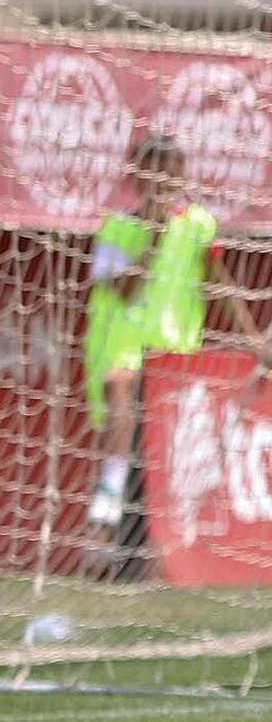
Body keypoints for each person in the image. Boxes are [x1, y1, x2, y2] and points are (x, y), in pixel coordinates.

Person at [84, 132, 271, 579]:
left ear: (183, 177)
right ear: (136, 178)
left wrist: (253, 341)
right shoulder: (115, 228)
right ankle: (103, 516)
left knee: (164, 457)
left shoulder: (198, 225)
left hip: (175, 358)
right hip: (122, 348)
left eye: (171, 172)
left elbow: (220, 282)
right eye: (153, 172)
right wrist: (152, 238)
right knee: (123, 416)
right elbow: (121, 289)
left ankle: (157, 554)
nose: (163, 181)